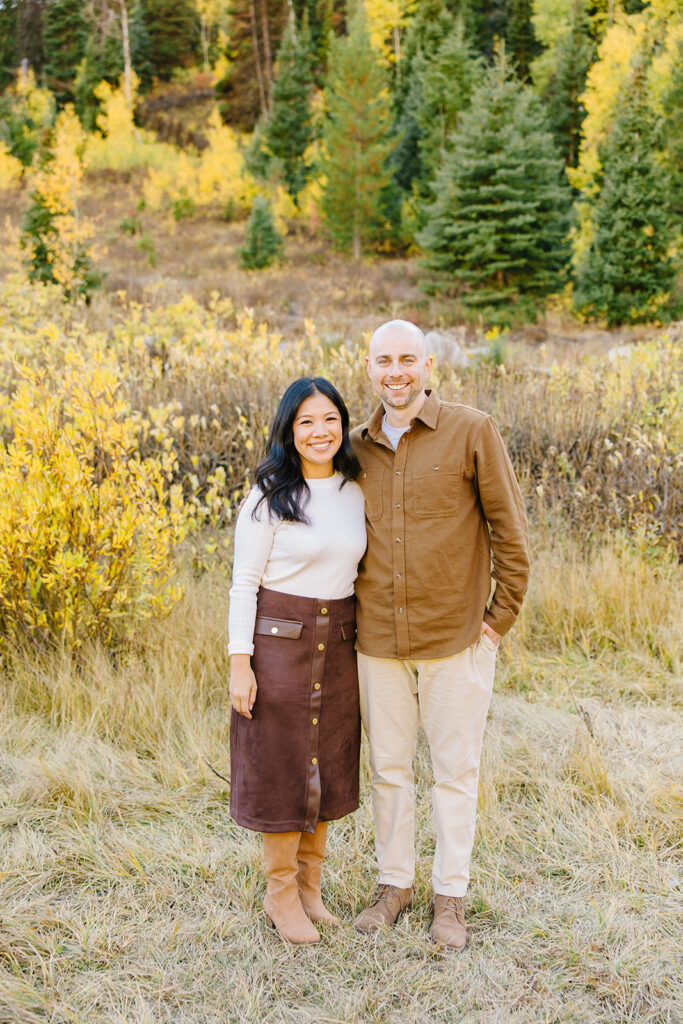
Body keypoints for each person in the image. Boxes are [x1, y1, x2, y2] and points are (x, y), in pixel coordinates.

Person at [350, 319, 530, 950]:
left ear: (429, 365)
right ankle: (393, 886)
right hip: (376, 642)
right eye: (383, 361)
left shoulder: (471, 430)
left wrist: (495, 623)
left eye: (407, 359)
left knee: (455, 772)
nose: (395, 372)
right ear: (368, 368)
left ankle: (449, 898)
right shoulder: (353, 447)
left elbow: (511, 535)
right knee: (388, 770)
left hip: (457, 639)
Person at [228, 376, 366, 945]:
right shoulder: (267, 496)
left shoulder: (356, 489)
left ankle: (311, 886)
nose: (319, 431)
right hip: (279, 642)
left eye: (329, 419)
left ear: (342, 424)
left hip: (341, 642)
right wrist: (241, 662)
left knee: (328, 761)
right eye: (306, 421)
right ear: (289, 429)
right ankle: (281, 892)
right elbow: (243, 585)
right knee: (283, 764)